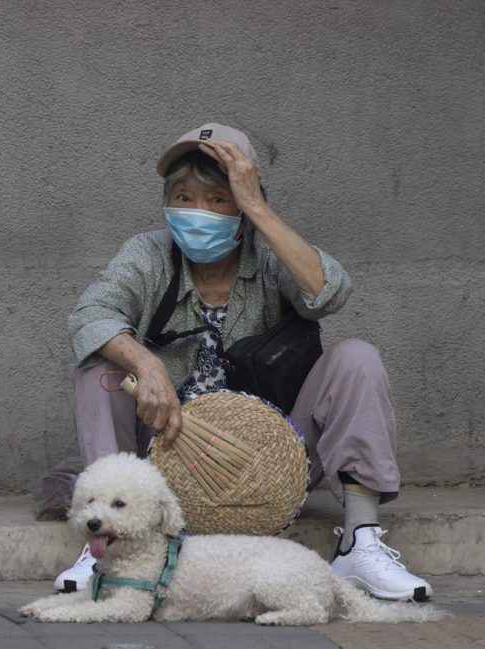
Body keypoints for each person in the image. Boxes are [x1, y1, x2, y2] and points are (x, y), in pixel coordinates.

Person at [48, 123, 432, 603]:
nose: (197, 213)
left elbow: (329, 293)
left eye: (217, 199)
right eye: (183, 197)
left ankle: (360, 543)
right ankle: (107, 544)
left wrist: (257, 209)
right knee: (99, 371)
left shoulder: (269, 254)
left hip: (272, 460)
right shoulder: (148, 254)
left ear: (242, 206)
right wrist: (147, 365)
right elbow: (89, 315)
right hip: (169, 454)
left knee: (357, 358)